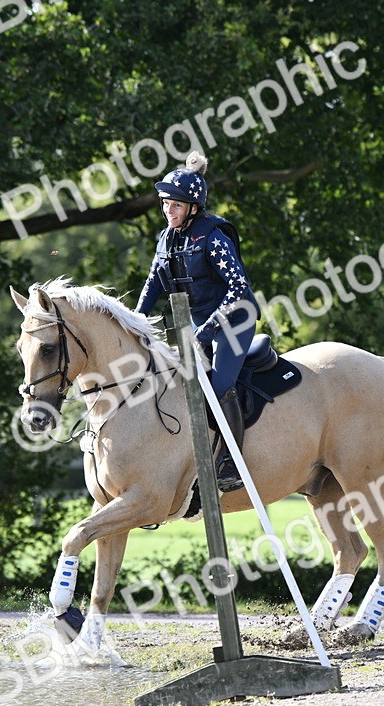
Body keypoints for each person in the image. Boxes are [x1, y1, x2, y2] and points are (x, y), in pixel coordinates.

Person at [134, 152, 260, 492]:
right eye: (164, 204)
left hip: (235, 319)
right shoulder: (166, 239)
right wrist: (135, 322)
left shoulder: (214, 236)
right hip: (196, 321)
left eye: (175, 206)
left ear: (193, 207)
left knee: (219, 387)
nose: (168, 212)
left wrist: (207, 331)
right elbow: (153, 284)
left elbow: (239, 288)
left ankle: (232, 463)